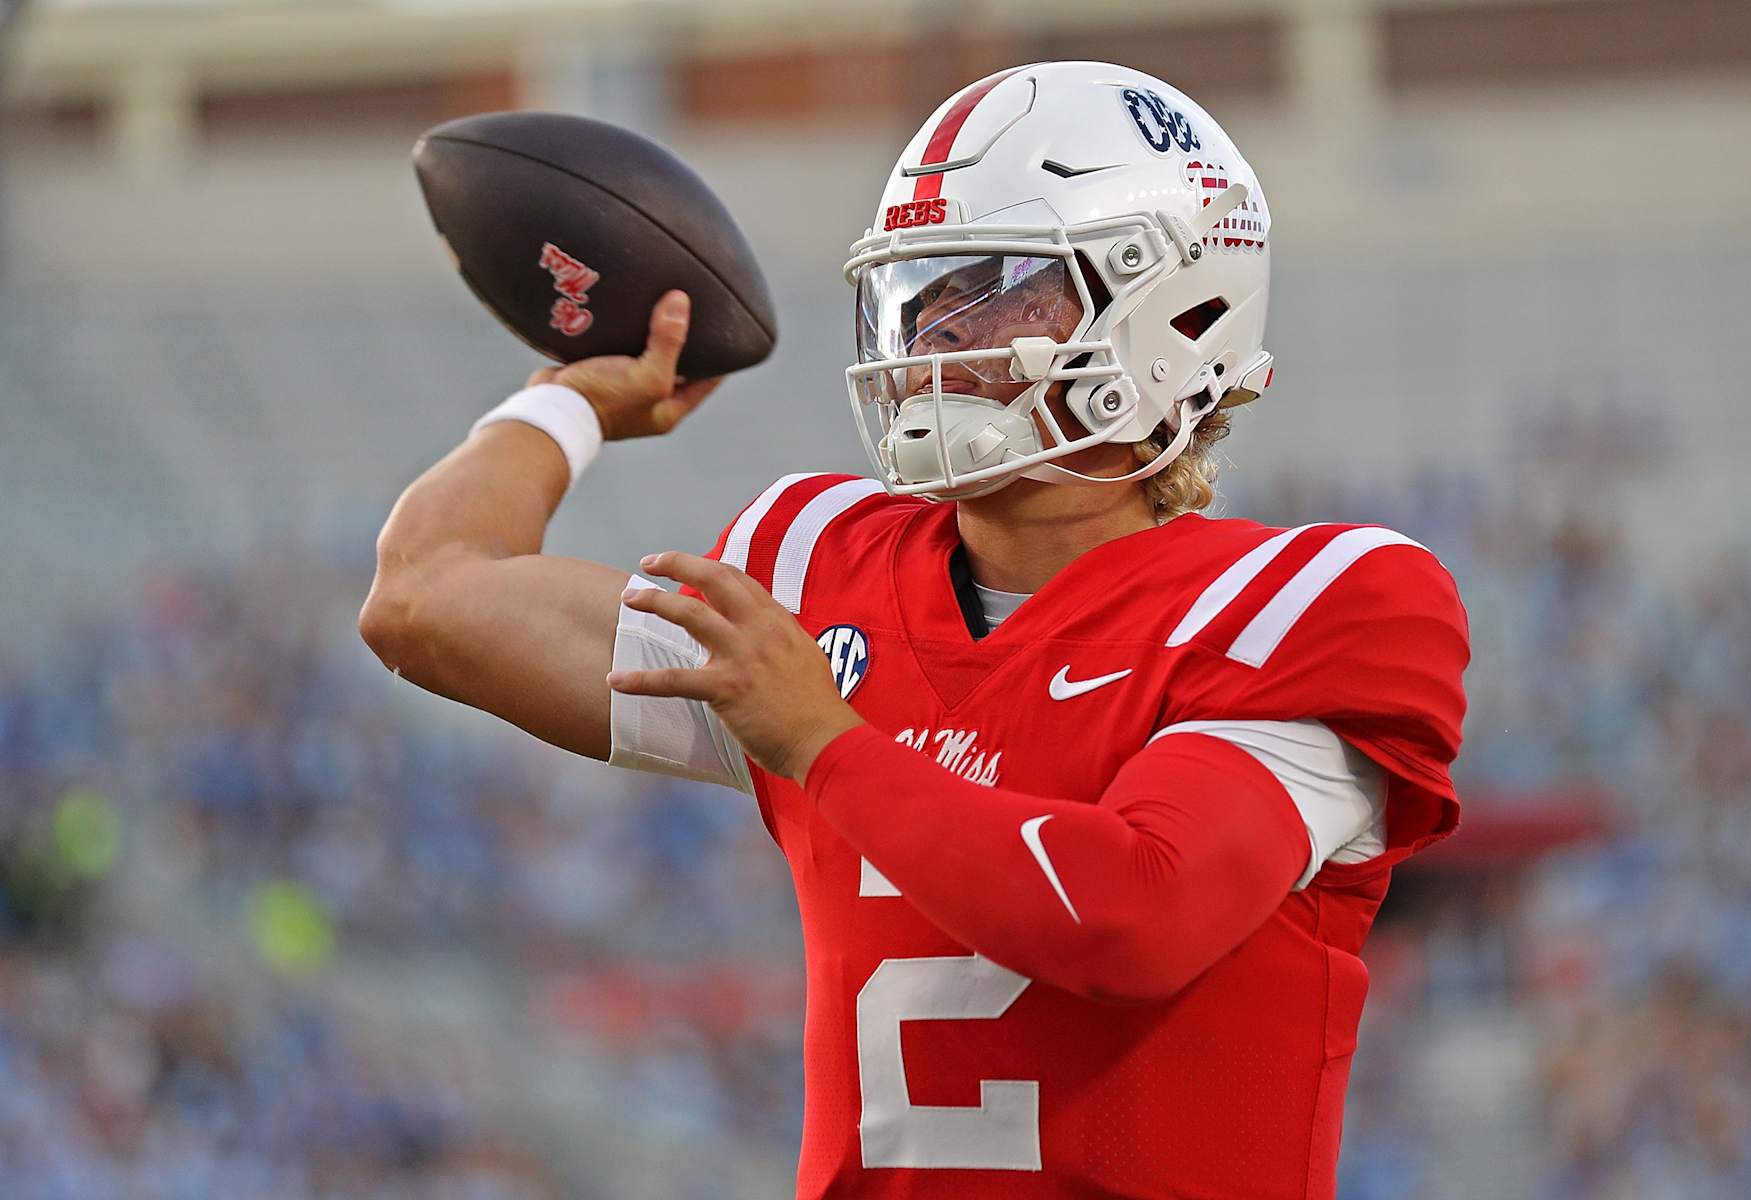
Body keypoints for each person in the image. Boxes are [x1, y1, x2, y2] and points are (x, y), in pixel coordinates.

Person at [361, 61, 1469, 1199]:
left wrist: (827, 746)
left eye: (996, 287)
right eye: (924, 290)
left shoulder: (1316, 601)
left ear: (1175, 310)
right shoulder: (816, 568)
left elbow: (1131, 917)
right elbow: (425, 598)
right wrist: (569, 402)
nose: (936, 331)